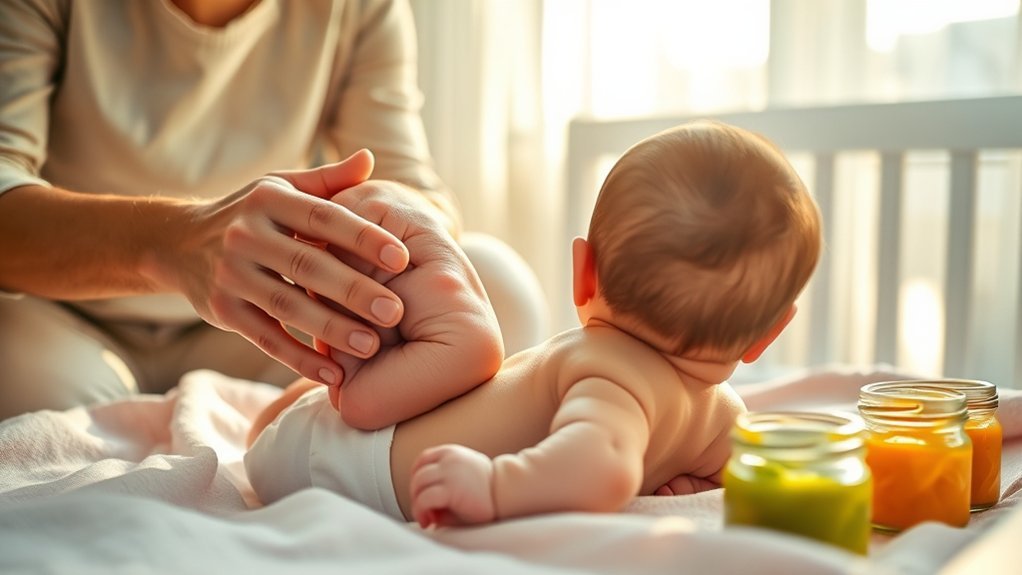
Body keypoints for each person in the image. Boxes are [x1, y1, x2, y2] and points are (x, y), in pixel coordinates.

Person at [244, 120, 823, 527]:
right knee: (315, 407)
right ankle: (317, 393)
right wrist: (692, 483)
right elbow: (727, 475)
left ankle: (377, 354)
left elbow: (600, 467)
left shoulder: (612, 378)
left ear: (583, 275)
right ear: (767, 336)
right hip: (366, 446)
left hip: (347, 464)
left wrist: (495, 487)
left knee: (304, 417)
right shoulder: (726, 420)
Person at [0, 0, 546, 420]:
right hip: (63, 318)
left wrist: (385, 211)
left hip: (270, 318)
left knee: (496, 290)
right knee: (24, 381)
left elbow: (410, 184)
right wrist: (176, 244)